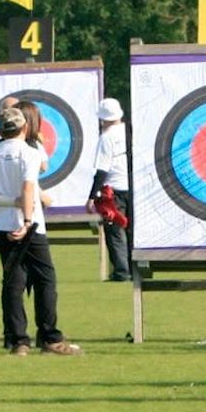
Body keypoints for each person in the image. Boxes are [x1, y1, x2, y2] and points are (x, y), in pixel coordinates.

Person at [0, 102, 81, 356]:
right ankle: (49, 338)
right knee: (46, 280)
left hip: (2, 224)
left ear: (1, 132)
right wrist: (26, 221)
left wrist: (10, 204)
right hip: (30, 225)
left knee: (13, 283)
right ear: (25, 127)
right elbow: (27, 189)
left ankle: (18, 342)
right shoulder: (30, 153)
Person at [88, 97, 132, 282]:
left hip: (113, 191)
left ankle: (122, 271)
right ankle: (133, 266)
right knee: (130, 230)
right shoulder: (130, 130)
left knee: (114, 231)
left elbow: (102, 169)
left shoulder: (107, 137)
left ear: (103, 119)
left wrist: (92, 196)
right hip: (133, 187)